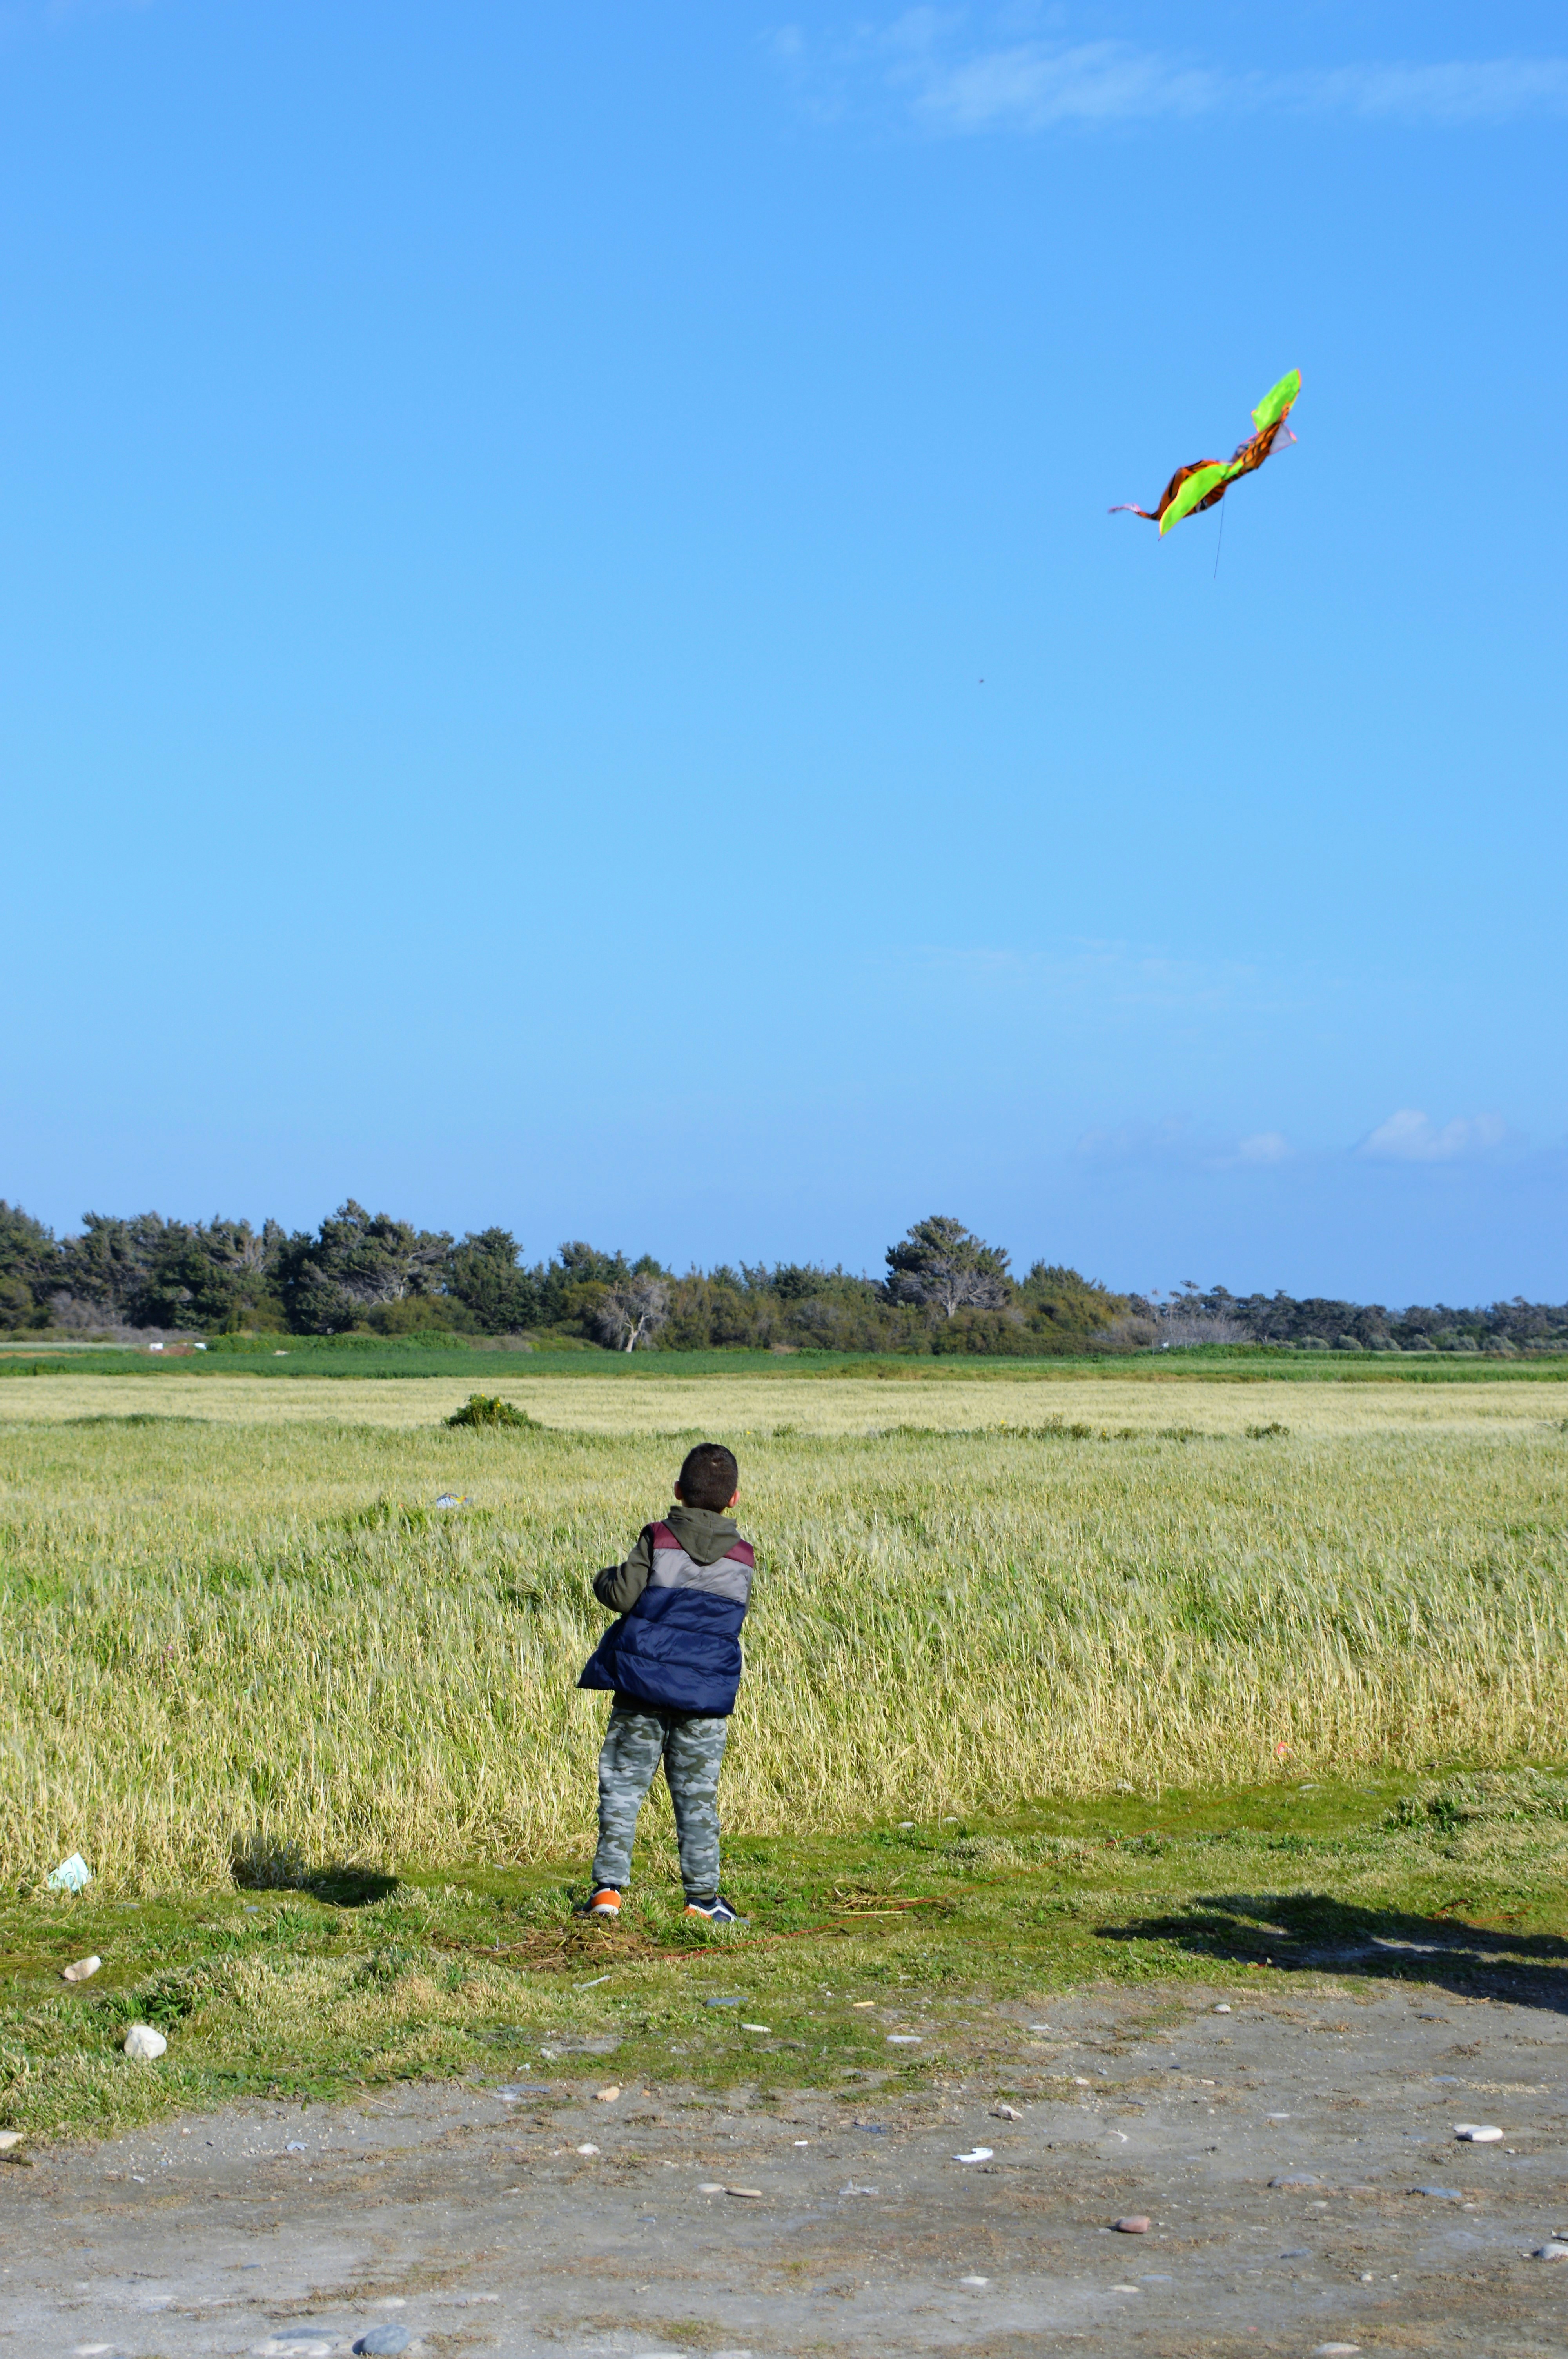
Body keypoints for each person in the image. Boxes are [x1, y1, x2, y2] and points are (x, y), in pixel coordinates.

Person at [578, 1441, 753, 1925]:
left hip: (642, 1687)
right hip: (705, 1696)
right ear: (734, 1498)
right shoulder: (744, 1558)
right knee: (698, 1798)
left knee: (622, 1788)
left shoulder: (658, 1538)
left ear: (678, 1490)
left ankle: (607, 1893)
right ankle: (702, 1898)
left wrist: (601, 1578)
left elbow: (620, 1595)